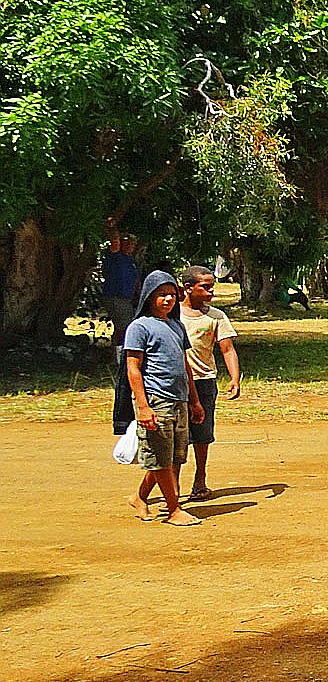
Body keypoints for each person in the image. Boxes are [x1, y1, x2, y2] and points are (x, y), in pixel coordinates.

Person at [122, 271, 205, 526]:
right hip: (156, 400)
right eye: (161, 295)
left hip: (179, 399)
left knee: (170, 456)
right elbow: (133, 368)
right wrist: (144, 407)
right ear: (149, 297)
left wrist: (194, 400)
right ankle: (173, 509)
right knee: (160, 456)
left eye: (171, 294)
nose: (168, 299)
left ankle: (139, 497)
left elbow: (184, 365)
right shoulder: (139, 327)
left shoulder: (176, 325)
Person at [178, 267, 241, 502]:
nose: (211, 291)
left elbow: (227, 349)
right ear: (188, 288)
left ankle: (200, 478)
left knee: (203, 434)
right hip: (176, 383)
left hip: (204, 380)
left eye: (211, 286)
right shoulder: (172, 315)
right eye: (205, 287)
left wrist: (234, 378)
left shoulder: (216, 316)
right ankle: (172, 485)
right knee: (177, 436)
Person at [100, 221, 141, 348]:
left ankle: (116, 354)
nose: (130, 245)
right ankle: (119, 355)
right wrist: (112, 226)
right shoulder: (115, 256)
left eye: (132, 243)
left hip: (127, 299)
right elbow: (115, 241)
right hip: (115, 297)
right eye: (126, 242)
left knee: (122, 327)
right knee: (124, 328)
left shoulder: (130, 260)